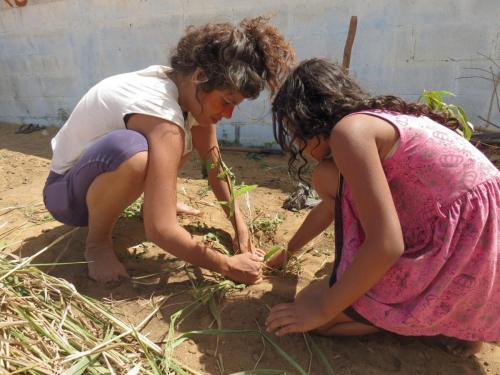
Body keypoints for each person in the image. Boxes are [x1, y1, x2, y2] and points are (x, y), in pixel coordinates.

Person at [265, 58, 499, 356]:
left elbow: (387, 245)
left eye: (295, 133)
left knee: (310, 308)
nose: (299, 146)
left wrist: (324, 309)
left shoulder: (349, 133)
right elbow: (328, 209)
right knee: (327, 178)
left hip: (459, 250)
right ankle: (454, 318)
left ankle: (416, 316)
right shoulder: (383, 118)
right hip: (488, 257)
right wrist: (287, 253)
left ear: (307, 119)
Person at [43, 17, 295, 284]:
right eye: (226, 101)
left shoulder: (186, 93)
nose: (229, 114)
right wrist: (227, 265)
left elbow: (215, 168)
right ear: (200, 77)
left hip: (96, 183)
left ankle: (160, 200)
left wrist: (239, 227)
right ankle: (97, 243)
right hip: (68, 197)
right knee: (136, 154)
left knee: (177, 140)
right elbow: (160, 230)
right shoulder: (160, 109)